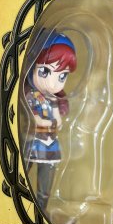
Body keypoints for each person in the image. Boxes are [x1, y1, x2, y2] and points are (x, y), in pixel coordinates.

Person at [24, 32, 77, 214]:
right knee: (21, 173)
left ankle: (41, 212)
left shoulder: (54, 99)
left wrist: (56, 121)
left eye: (62, 76)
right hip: (34, 143)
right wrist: (46, 122)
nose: (53, 84)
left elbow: (57, 119)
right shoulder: (32, 95)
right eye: (45, 72)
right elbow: (35, 118)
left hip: (50, 145)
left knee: (45, 185)